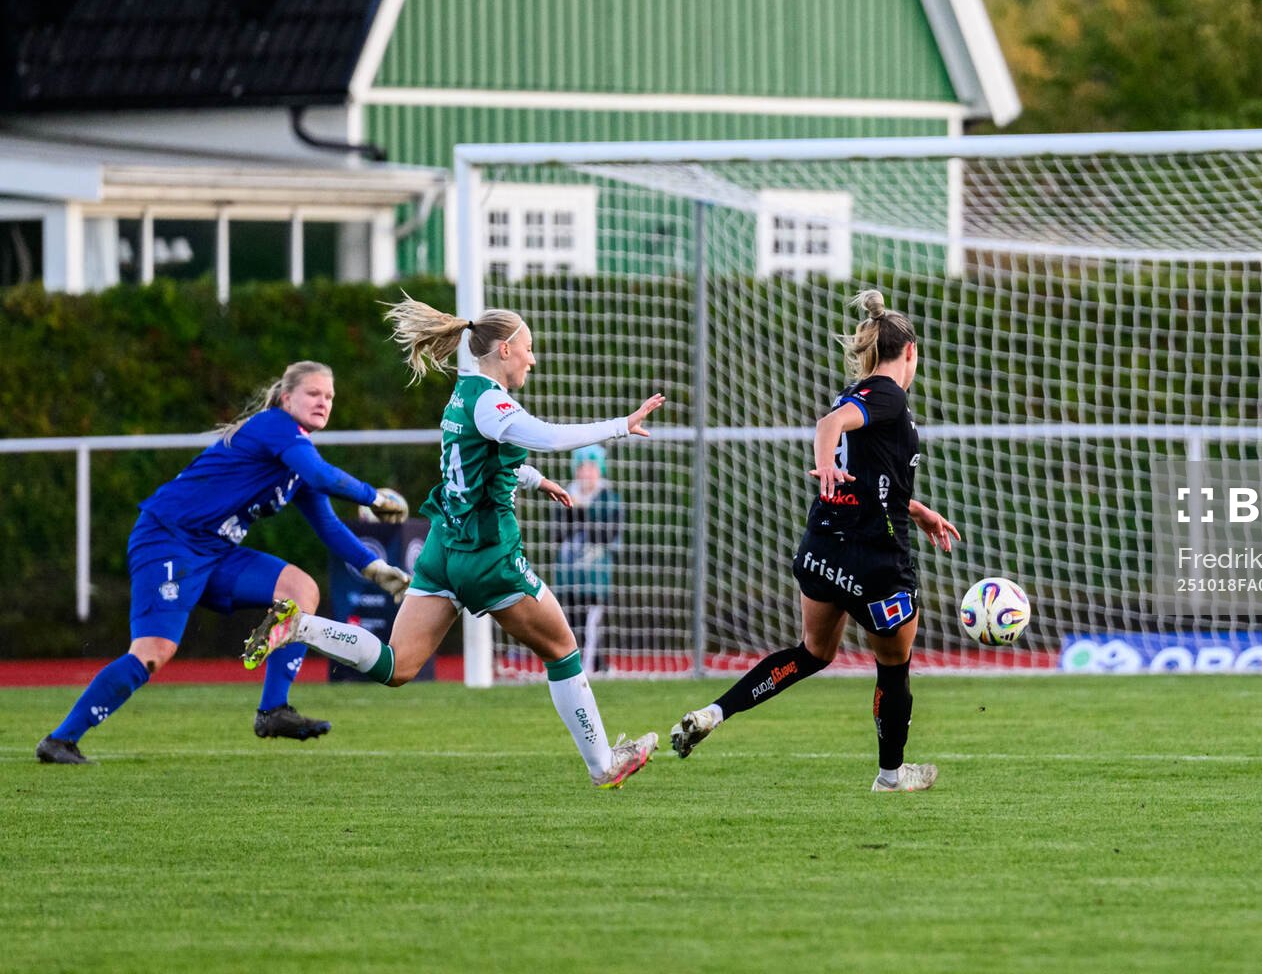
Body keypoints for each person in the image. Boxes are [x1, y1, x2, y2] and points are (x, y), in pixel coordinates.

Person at [242, 298, 666, 790]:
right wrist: (621, 425)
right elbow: (546, 435)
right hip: (488, 556)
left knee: (398, 664)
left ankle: (300, 626)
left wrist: (533, 479)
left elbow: (475, 462)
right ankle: (602, 765)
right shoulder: (492, 402)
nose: (532, 359)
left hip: (443, 548)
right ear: (504, 349)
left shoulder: (463, 393)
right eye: (528, 349)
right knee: (562, 649)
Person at [35, 361, 412, 764]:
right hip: (168, 541)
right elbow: (323, 477)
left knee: (300, 589)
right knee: (153, 652)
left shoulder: (299, 456)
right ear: (287, 399)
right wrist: (374, 497)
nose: (323, 402)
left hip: (215, 551)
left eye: (330, 397)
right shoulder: (275, 426)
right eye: (314, 393)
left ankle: (273, 711)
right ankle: (60, 740)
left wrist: (375, 569)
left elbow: (329, 526)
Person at [668, 290, 959, 793]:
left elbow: (870, 477)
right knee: (894, 667)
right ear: (910, 351)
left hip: (822, 550)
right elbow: (830, 425)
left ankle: (715, 712)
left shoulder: (857, 393)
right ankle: (891, 776)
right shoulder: (888, 394)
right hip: (875, 562)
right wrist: (825, 463)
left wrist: (917, 509)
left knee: (814, 652)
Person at [553, 445, 622, 674]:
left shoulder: (608, 499)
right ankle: (589, 667)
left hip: (595, 575)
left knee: (592, 623)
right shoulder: (564, 497)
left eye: (592, 467)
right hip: (569, 574)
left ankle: (592, 667)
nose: (586, 473)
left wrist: (582, 512)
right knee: (570, 623)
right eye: (582, 467)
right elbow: (557, 534)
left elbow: (607, 535)